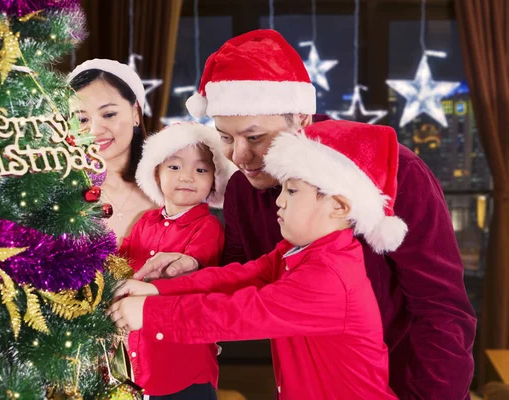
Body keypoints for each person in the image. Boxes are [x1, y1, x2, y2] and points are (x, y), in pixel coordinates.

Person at [132, 29, 477, 399]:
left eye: (255, 137)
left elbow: (442, 311)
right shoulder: (242, 190)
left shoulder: (394, 173)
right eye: (226, 138)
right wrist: (185, 272)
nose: (239, 158)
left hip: (397, 383)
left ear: (301, 117)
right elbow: (247, 281)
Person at [109, 120, 406, 399]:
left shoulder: (329, 277)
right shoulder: (299, 252)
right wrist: (159, 289)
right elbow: (239, 276)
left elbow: (237, 313)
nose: (279, 200)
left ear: (339, 207)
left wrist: (151, 314)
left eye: (291, 190)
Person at [119, 122, 235, 399]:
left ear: (214, 180)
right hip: (140, 355)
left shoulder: (208, 226)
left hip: (185, 358)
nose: (187, 177)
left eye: (201, 169)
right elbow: (119, 265)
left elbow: (195, 279)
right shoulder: (144, 222)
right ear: (156, 173)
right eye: (174, 167)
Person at [68, 59, 155, 246]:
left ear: (135, 113)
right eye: (82, 119)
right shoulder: (63, 196)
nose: (94, 131)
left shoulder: (167, 183)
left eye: (108, 114)